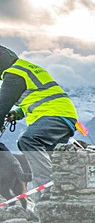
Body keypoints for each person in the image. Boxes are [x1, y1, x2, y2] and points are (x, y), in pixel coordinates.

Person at [0, 46, 78, 201]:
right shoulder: (27, 68)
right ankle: (51, 197)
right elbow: (39, 96)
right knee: (47, 157)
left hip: (54, 115)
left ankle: (48, 190)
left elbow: (2, 105)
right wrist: (17, 113)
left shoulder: (14, 75)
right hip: (61, 115)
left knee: (28, 140)